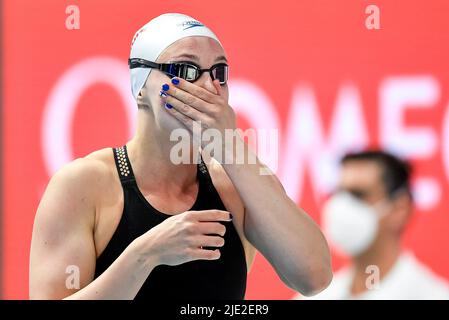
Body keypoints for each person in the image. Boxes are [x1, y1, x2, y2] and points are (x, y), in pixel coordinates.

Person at [29, 13, 332, 300]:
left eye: (219, 73)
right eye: (184, 70)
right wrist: (144, 256)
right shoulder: (84, 186)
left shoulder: (233, 186)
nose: (207, 86)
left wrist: (231, 149)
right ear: (140, 89)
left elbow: (313, 276)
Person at [294, 150, 449, 299]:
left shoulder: (433, 296)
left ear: (399, 209)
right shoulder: (316, 296)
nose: (342, 206)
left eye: (358, 194)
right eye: (338, 193)